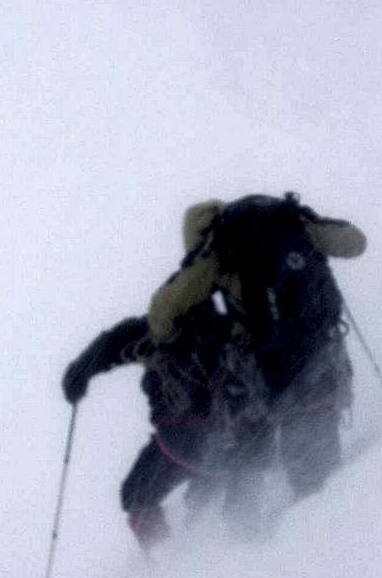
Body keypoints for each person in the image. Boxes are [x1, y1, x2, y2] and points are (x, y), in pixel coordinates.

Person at [147, 193, 366, 499]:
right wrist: (306, 229)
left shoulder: (217, 250)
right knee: (320, 475)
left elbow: (163, 309)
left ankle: (250, 532)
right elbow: (355, 242)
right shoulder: (290, 223)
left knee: (249, 447)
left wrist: (164, 339)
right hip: (324, 358)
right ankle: (339, 520)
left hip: (273, 372)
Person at [61, 300, 235, 548]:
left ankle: (168, 562)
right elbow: (114, 342)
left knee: (137, 495)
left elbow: (114, 343)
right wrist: (81, 372)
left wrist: (79, 374)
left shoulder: (154, 335)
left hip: (181, 440)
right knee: (202, 498)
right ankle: (200, 553)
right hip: (229, 443)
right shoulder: (227, 331)